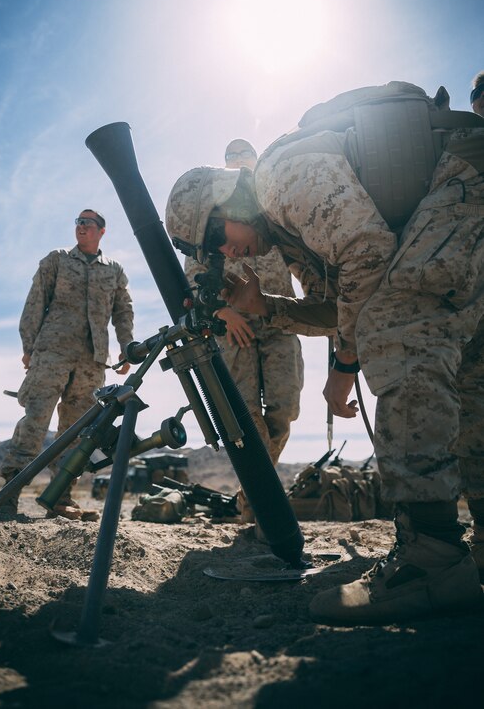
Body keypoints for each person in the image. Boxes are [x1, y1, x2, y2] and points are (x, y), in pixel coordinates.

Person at [165, 100, 484, 625]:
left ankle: (431, 556)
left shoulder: (281, 179)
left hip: (465, 179)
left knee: (399, 327)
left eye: (220, 238)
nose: (230, 254)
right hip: (465, 194)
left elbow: (369, 256)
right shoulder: (289, 239)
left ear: (230, 201)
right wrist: (268, 306)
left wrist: (347, 364)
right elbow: (339, 309)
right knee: (470, 371)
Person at [185, 138, 305, 522]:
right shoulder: (211, 213)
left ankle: (254, 491)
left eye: (244, 157)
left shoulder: (275, 206)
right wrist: (223, 311)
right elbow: (194, 274)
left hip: (280, 318)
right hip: (233, 326)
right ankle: (258, 506)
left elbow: (302, 257)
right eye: (231, 159)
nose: (239, 163)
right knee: (246, 414)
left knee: (285, 411)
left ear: (256, 163)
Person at [0, 209, 134, 520]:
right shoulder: (57, 260)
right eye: (78, 222)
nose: (81, 227)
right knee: (35, 419)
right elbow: (35, 302)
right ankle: (9, 494)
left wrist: (127, 348)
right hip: (52, 352)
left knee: (76, 432)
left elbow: (123, 312)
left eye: (88, 223)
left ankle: (60, 498)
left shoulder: (113, 270)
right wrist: (28, 347)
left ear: (102, 231)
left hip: (92, 362)